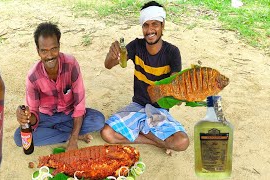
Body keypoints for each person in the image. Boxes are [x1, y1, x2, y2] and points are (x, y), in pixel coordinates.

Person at [101, 1, 189, 153]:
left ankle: (140, 131)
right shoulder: (136, 46)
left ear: (162, 26)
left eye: (155, 24)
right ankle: (156, 142)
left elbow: (176, 88)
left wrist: (180, 94)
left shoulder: (172, 52)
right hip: (137, 107)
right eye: (145, 25)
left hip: (159, 111)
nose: (150, 30)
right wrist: (111, 56)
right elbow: (109, 65)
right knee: (106, 133)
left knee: (182, 142)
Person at [14, 22, 105, 151]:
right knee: (19, 138)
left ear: (59, 46)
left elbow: (79, 105)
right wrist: (26, 116)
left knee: (98, 120)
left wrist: (73, 141)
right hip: (46, 116)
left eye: (53, 49)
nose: (49, 55)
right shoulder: (32, 76)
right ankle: (71, 133)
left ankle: (60, 133)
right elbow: (34, 113)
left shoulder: (71, 64)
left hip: (70, 113)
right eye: (44, 51)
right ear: (38, 51)